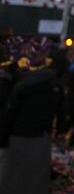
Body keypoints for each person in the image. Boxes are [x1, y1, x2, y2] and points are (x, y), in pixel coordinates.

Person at [0, 38, 61, 193]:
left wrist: (3, 137)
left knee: (15, 174)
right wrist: (59, 130)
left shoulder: (21, 86)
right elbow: (61, 109)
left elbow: (10, 112)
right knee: (36, 175)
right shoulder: (54, 83)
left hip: (19, 135)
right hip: (42, 135)